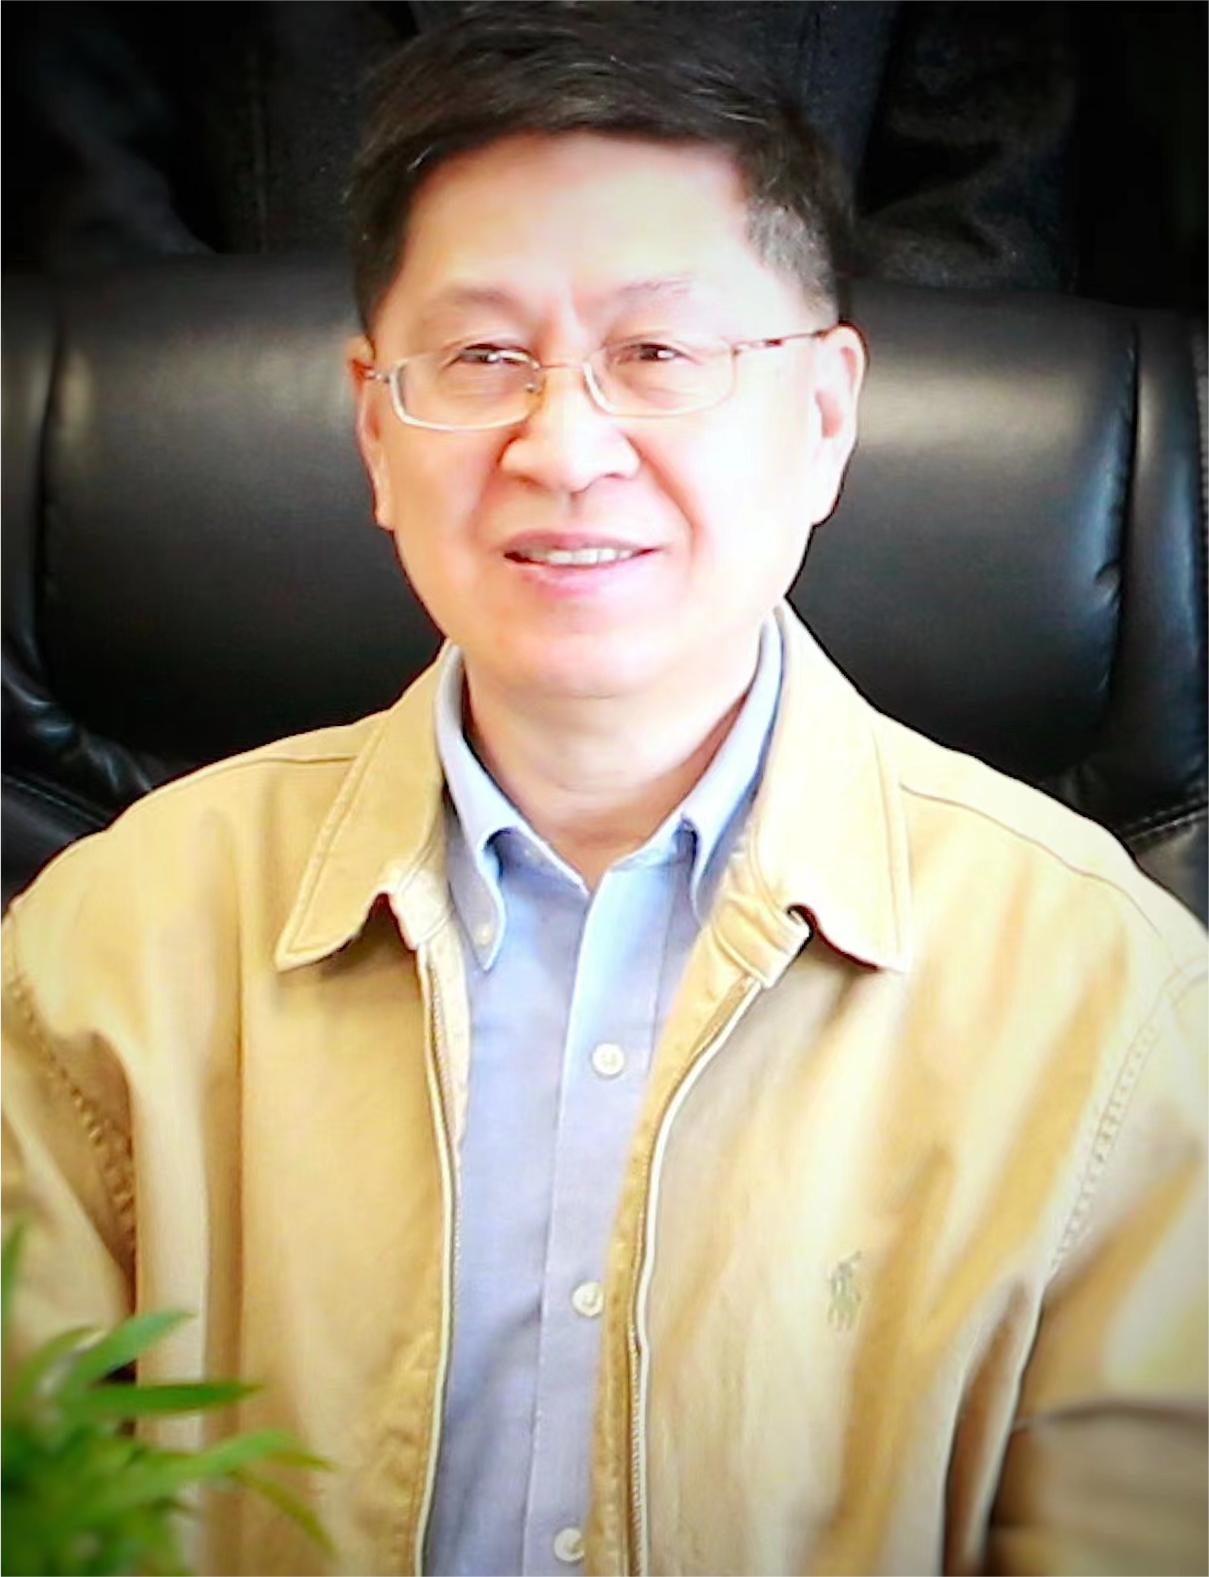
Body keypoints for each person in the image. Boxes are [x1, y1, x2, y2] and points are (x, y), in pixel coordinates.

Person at [3, 7, 1205, 1576]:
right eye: (482, 358)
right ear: (373, 427)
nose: (565, 447)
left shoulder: (1109, 997)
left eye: (658, 355)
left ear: (824, 415)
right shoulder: (106, 944)